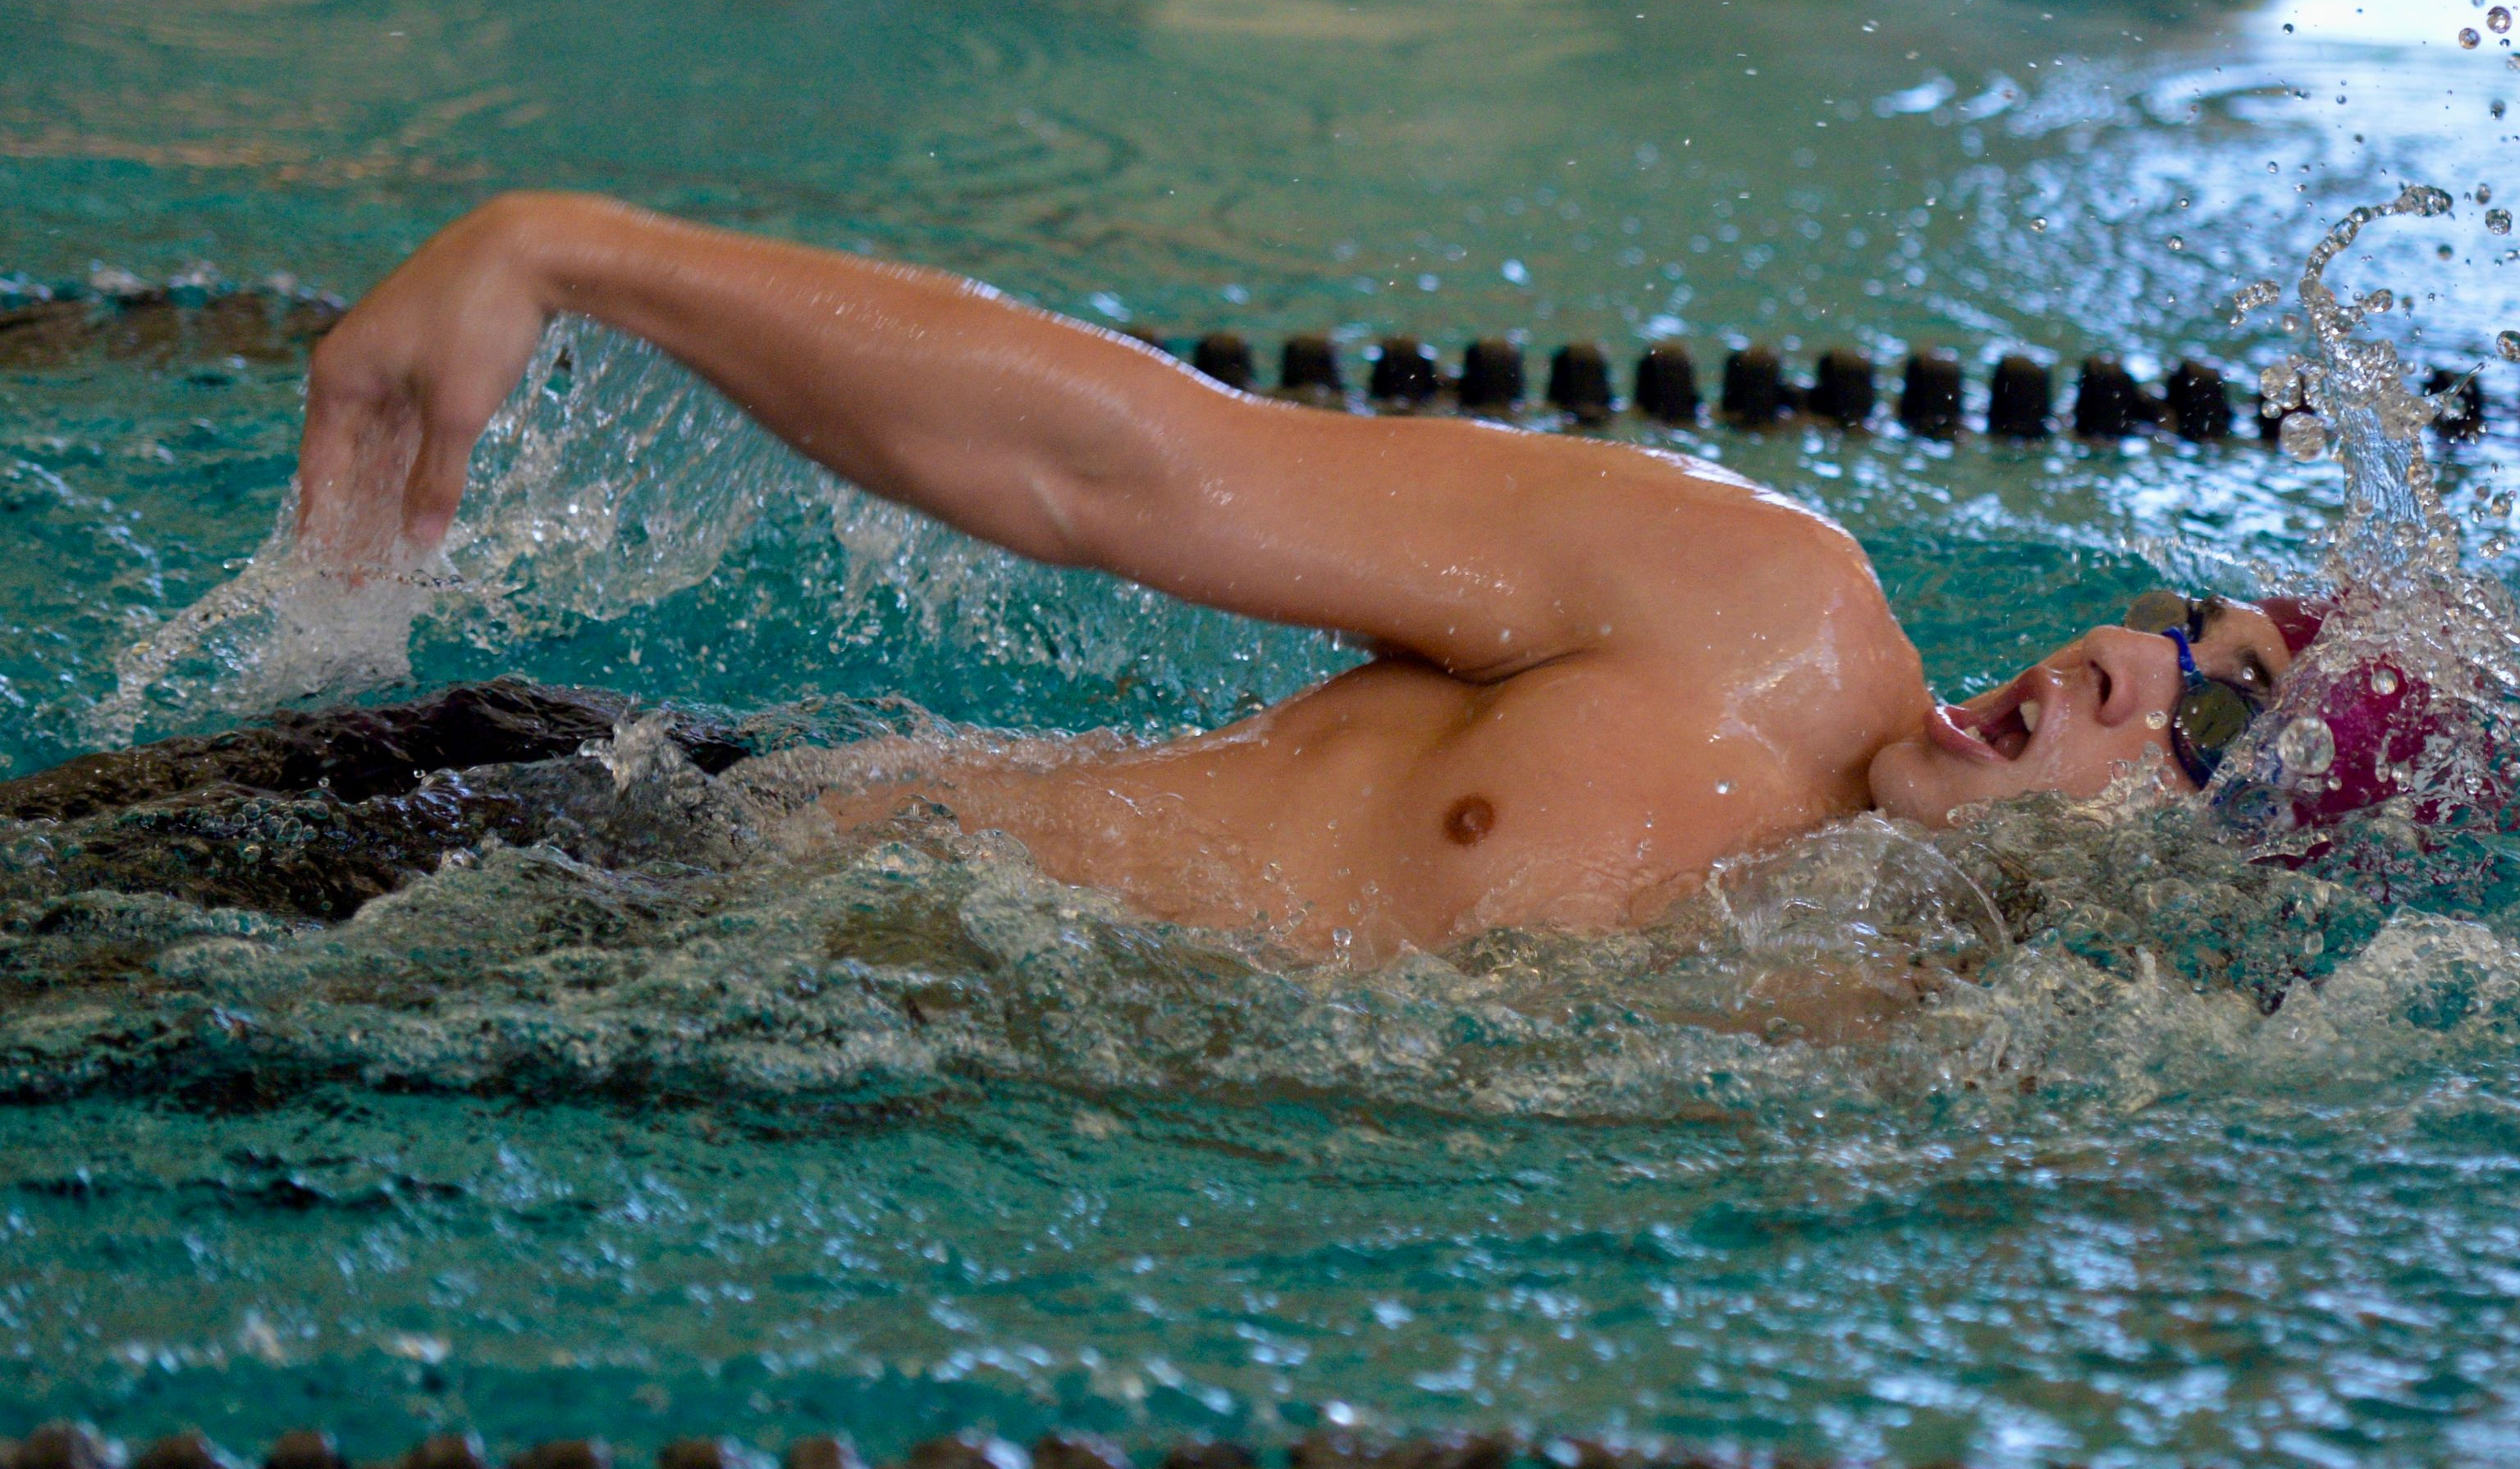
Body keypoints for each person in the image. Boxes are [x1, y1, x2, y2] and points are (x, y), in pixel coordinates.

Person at [298, 191, 2314, 961]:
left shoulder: (1932, 1060)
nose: (2132, 663)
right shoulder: (1756, 611)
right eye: (2172, 618)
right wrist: (566, 254)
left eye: (2213, 711)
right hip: (579, 847)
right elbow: (1127, 469)